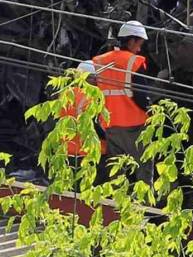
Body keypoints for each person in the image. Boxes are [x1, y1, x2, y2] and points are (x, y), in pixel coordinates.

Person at [91, 20, 151, 171]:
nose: (138, 49)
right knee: (144, 166)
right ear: (131, 41)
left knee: (116, 169)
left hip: (110, 124)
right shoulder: (134, 62)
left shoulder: (99, 61)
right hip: (134, 124)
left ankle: (115, 195)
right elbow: (140, 96)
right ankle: (143, 195)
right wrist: (151, 111)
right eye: (139, 44)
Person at [60, 60, 107, 164]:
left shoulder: (66, 94)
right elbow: (97, 126)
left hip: (68, 150)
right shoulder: (95, 97)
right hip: (92, 152)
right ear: (90, 78)